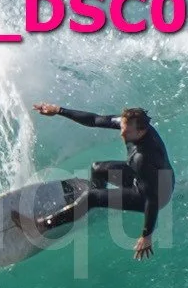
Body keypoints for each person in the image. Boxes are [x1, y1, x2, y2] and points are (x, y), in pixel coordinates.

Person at [32, 103, 175, 259]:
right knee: (97, 168)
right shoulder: (131, 125)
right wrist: (59, 110)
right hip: (143, 177)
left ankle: (42, 226)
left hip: (155, 194)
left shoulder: (142, 157)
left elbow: (151, 199)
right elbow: (95, 120)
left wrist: (146, 235)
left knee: (91, 198)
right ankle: (93, 202)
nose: (121, 134)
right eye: (122, 128)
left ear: (141, 132)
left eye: (126, 132)